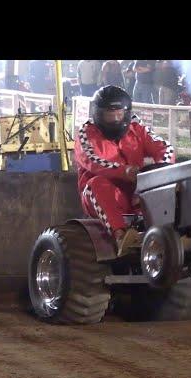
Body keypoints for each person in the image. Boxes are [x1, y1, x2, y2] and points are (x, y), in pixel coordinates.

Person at [74, 86, 176, 254]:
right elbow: (93, 161)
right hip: (102, 197)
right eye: (109, 115)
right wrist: (125, 171)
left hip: (139, 193)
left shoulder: (136, 127)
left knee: (170, 179)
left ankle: (173, 232)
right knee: (97, 183)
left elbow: (165, 148)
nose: (115, 120)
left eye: (119, 114)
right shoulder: (86, 132)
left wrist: (162, 169)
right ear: (99, 114)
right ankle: (121, 236)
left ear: (126, 113)